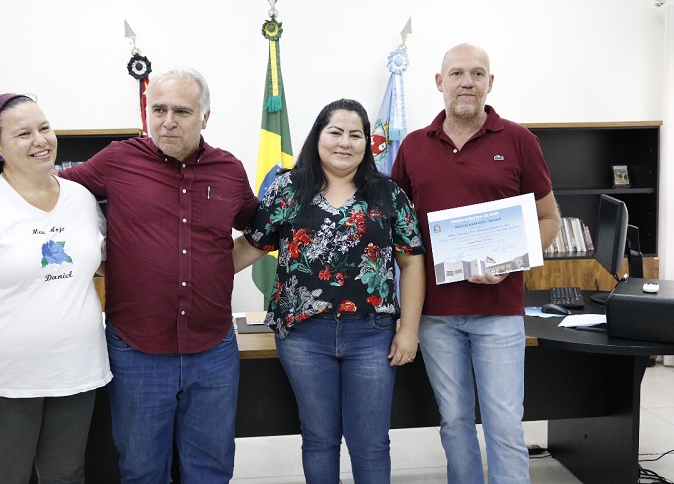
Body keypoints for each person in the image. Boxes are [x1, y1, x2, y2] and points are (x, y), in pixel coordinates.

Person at [59, 67, 258, 483]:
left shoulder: (229, 169)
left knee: (211, 468)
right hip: (137, 349)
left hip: (213, 347)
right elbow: (51, 192)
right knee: (143, 470)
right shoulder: (117, 160)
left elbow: (258, 229)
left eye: (182, 111)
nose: (168, 121)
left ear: (205, 117)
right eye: (158, 109)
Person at [390, 43, 561, 484]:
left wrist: (512, 259)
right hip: (436, 315)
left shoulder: (520, 140)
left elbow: (549, 219)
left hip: (499, 312)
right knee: (455, 423)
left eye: (477, 73)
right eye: (458, 73)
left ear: (490, 82)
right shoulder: (412, 147)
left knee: (505, 426)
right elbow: (398, 225)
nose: (467, 82)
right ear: (439, 82)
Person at [233, 98, 426, 484]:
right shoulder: (288, 188)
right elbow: (250, 246)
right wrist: (187, 273)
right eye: (335, 132)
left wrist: (408, 330)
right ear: (318, 136)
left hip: (372, 335)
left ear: (367, 143)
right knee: (319, 439)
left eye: (356, 135)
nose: (345, 142)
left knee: (370, 442)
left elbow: (412, 262)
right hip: (304, 336)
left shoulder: (388, 193)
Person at [0, 93, 112, 483]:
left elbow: (101, 266)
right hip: (6, 383)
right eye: (23, 134)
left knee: (67, 475)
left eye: (44, 128)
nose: (40, 140)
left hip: (77, 374)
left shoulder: (81, 199)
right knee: (5, 477)